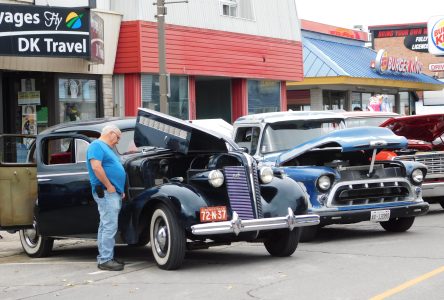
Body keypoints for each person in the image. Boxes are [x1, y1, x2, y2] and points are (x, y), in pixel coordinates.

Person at [86, 125, 126, 271]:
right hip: (106, 191)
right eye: (118, 137)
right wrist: (109, 186)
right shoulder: (96, 146)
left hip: (111, 192)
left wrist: (118, 189)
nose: (118, 141)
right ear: (111, 133)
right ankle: (105, 260)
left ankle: (106, 257)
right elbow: (96, 167)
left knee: (105, 225)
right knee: (110, 226)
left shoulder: (104, 148)